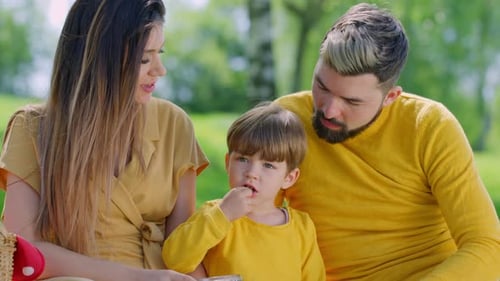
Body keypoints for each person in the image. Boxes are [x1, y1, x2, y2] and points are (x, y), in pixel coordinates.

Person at [274, 2, 500, 281]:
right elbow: (248, 224)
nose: (329, 110)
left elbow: (487, 246)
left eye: (351, 101)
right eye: (322, 86)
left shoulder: (429, 125)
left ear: (391, 96)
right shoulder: (284, 122)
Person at [0, 0, 208, 280]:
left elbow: (184, 249)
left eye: (160, 53)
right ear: (100, 60)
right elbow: (24, 252)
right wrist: (139, 278)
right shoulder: (32, 128)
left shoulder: (175, 124)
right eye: (144, 58)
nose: (160, 70)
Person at [162, 102, 326, 281]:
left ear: (289, 178)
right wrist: (222, 215)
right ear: (227, 163)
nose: (252, 173)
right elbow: (175, 260)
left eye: (268, 165)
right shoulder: (216, 214)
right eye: (243, 159)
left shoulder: (302, 228)